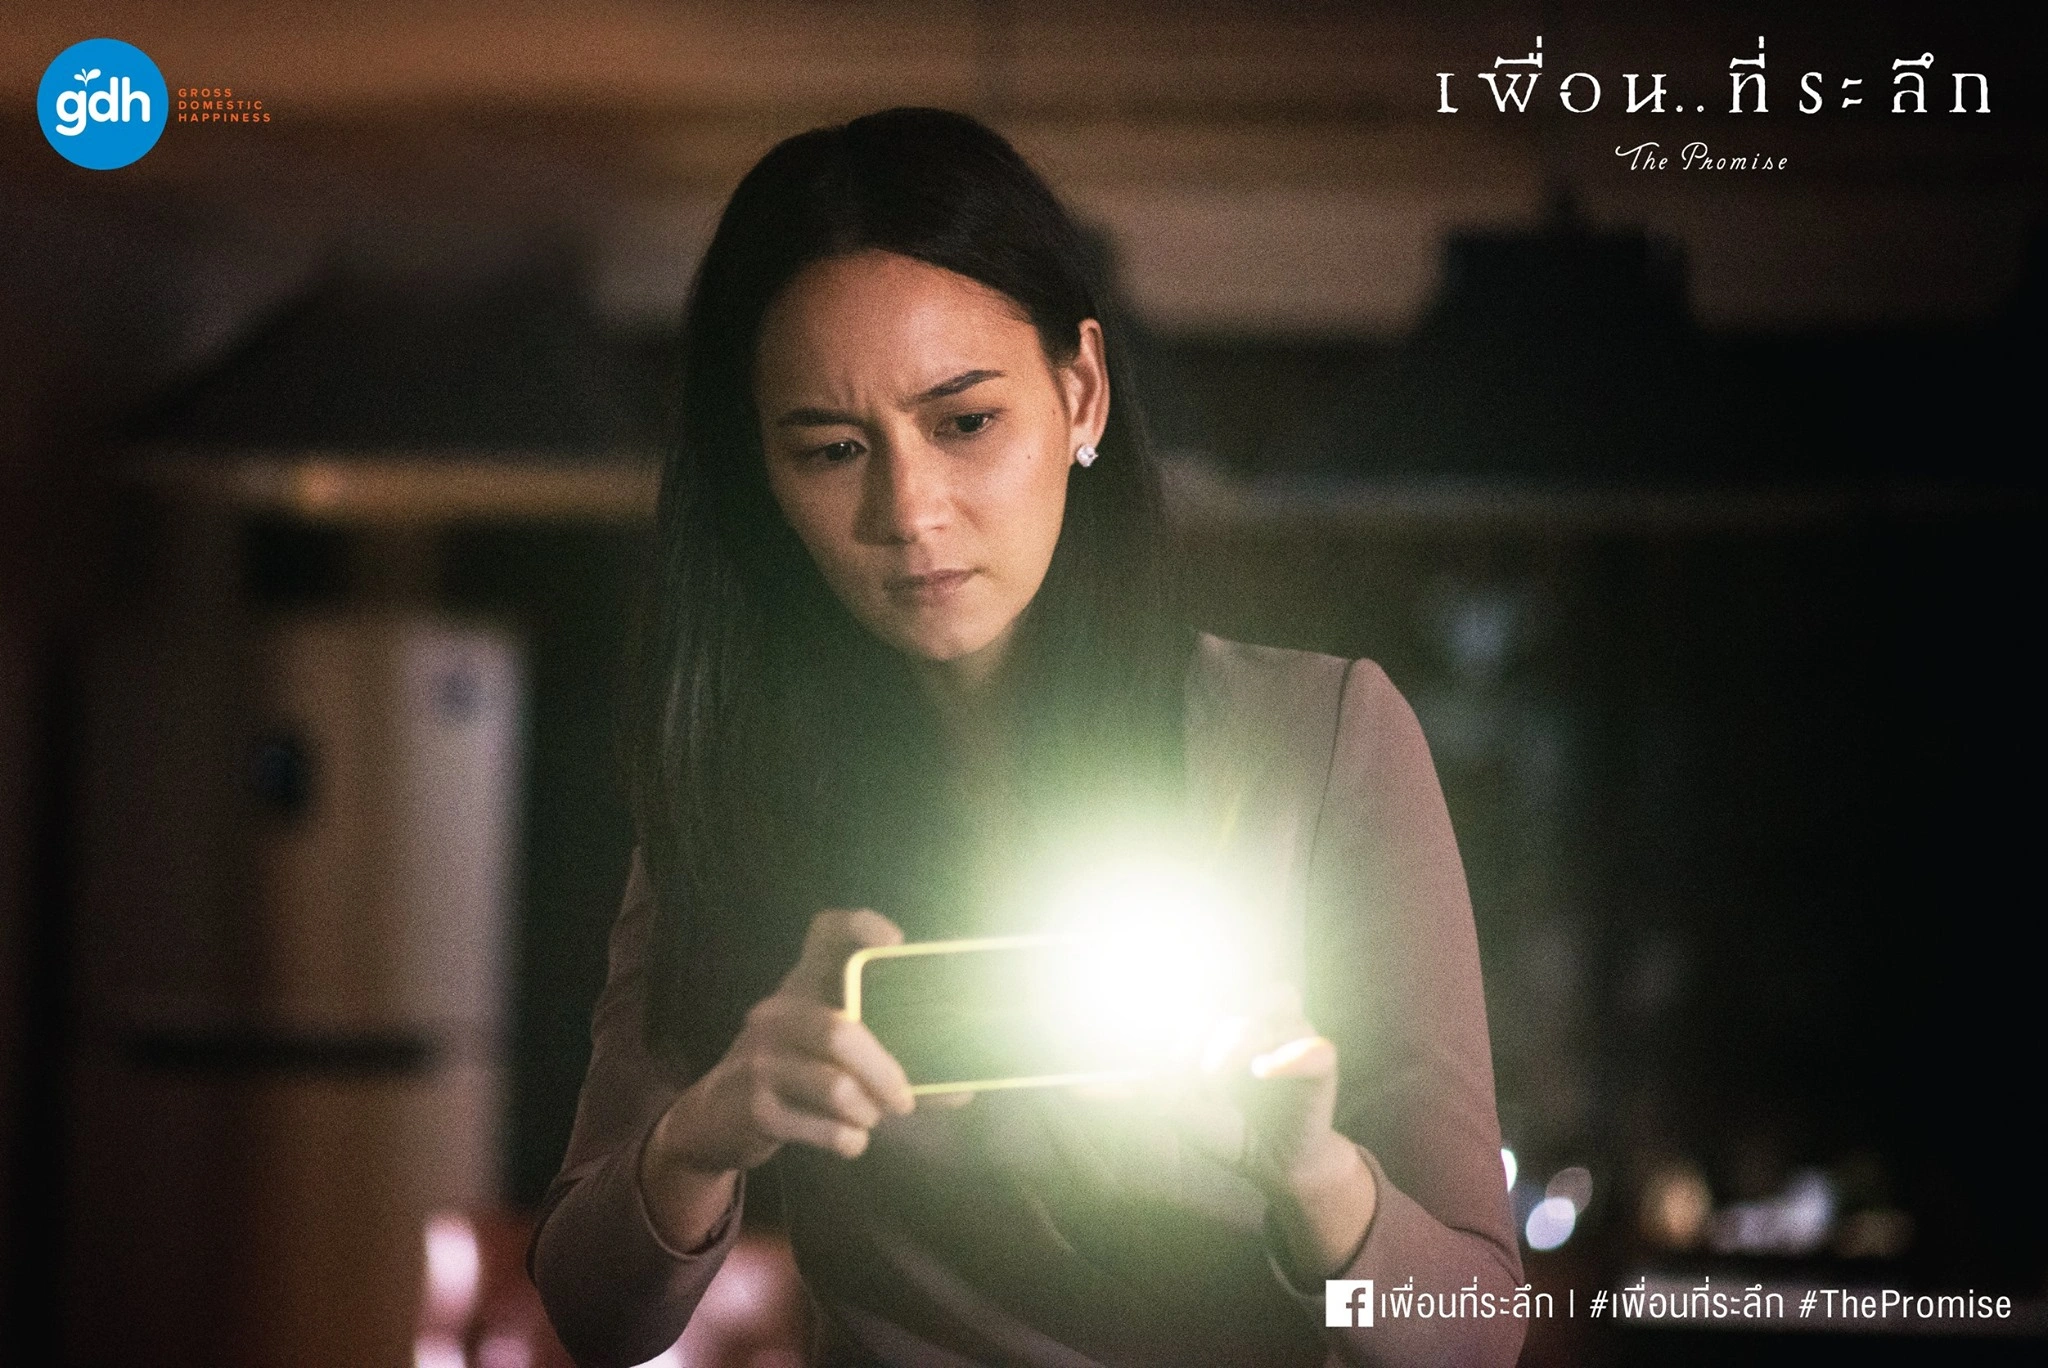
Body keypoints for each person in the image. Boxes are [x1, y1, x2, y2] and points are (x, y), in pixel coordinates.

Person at [529, 106, 1524, 1368]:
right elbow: (593, 1315)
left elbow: (1476, 1333)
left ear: (1080, 392)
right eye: (832, 449)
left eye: (964, 423)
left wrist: (1312, 1176)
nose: (908, 510)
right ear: (764, 480)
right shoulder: (741, 778)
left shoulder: (1317, 741)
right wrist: (707, 1131)